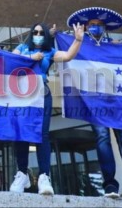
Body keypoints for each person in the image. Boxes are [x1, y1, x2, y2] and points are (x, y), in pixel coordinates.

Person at [66, 7, 122, 199]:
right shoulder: (81, 43)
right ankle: (110, 186)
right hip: (94, 101)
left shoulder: (115, 45)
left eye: (99, 25)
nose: (96, 27)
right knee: (103, 139)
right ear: (87, 27)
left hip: (119, 100)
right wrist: (55, 35)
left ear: (105, 28)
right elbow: (67, 53)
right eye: (93, 25)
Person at [9, 21, 84, 195]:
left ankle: (44, 176)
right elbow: (12, 61)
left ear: (46, 36)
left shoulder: (49, 52)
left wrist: (78, 40)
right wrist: (31, 59)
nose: (38, 36)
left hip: (42, 94)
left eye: (41, 33)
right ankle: (22, 173)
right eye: (35, 32)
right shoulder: (22, 47)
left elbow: (67, 56)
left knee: (42, 134)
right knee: (21, 133)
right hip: (21, 94)